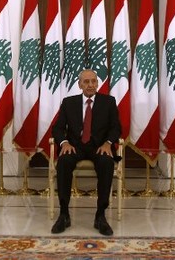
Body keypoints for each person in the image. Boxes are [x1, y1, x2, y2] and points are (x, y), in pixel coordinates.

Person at [51, 69, 121, 236]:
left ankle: (100, 215)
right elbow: (58, 128)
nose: (90, 85)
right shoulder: (69, 102)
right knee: (64, 161)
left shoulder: (108, 102)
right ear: (80, 84)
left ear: (97, 83)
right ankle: (64, 213)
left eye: (93, 81)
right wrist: (64, 142)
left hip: (99, 147)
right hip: (75, 146)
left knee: (106, 162)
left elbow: (116, 127)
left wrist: (108, 143)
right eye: (86, 82)